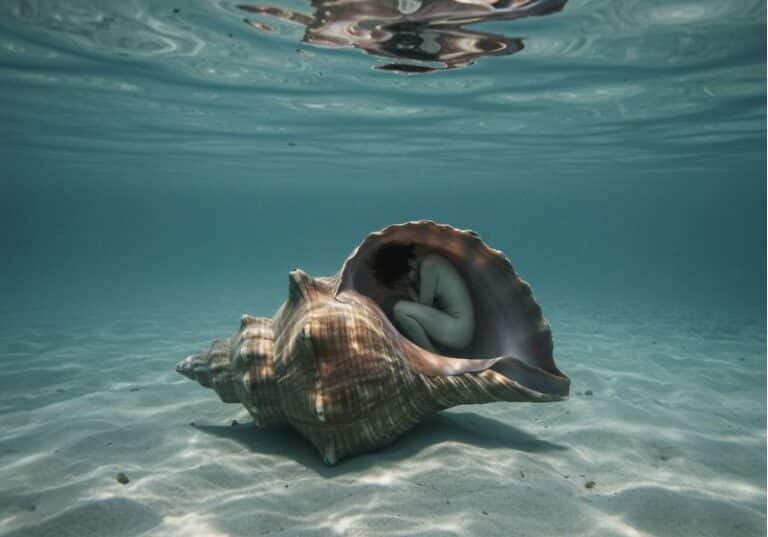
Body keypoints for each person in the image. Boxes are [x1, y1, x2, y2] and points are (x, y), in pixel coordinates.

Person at [369, 243, 474, 352]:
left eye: (404, 279)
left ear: (409, 262)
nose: (406, 282)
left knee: (400, 310)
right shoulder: (427, 264)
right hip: (454, 329)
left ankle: (432, 355)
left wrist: (408, 288)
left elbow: (424, 304)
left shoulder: (429, 266)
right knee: (392, 305)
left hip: (459, 331)